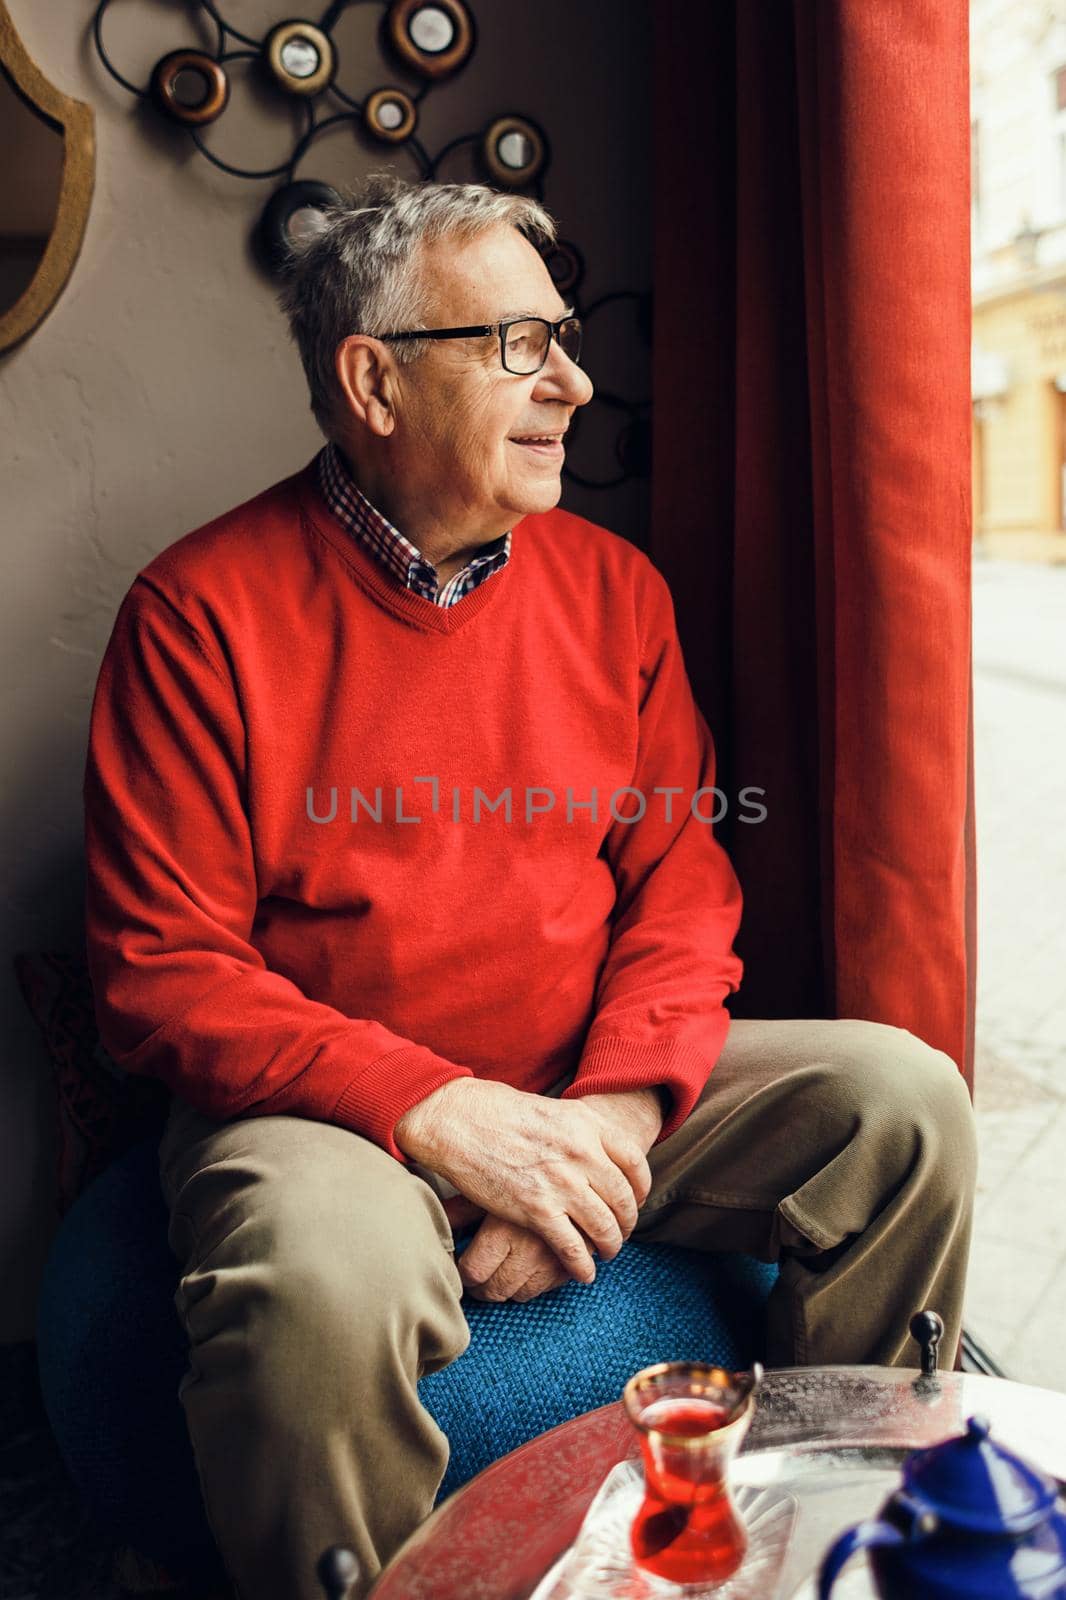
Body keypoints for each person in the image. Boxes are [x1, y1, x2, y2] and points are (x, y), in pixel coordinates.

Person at [82, 174, 976, 1600]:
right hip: (336, 1119)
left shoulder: (615, 588)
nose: (572, 378)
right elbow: (158, 971)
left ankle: (819, 1540)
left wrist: (612, 1117)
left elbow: (681, 883)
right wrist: (445, 1119)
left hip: (579, 1080)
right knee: (319, 1285)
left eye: (560, 335)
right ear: (372, 380)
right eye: (515, 343)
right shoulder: (197, 616)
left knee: (903, 1105)